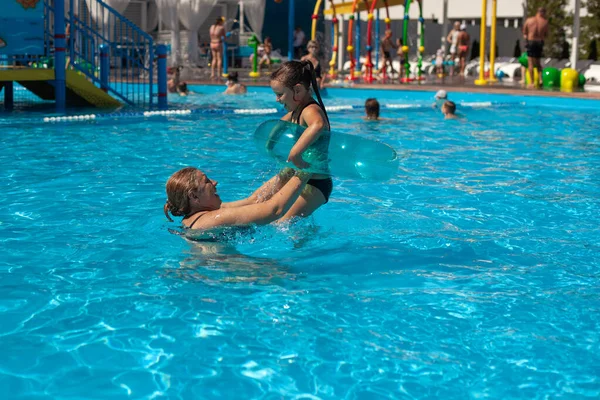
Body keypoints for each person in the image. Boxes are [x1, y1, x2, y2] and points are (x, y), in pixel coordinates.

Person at [269, 60, 332, 219]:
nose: (277, 99)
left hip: (316, 183)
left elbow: (318, 125)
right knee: (258, 201)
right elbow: (281, 124)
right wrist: (270, 144)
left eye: (280, 94)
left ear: (297, 90)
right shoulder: (297, 110)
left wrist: (295, 153)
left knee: (281, 221)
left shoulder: (310, 110)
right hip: (299, 172)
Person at [164, 167, 310, 231]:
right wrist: (307, 170)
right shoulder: (213, 219)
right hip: (225, 275)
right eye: (207, 181)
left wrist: (289, 170)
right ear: (194, 196)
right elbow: (274, 209)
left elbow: (253, 200)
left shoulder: (198, 217)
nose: (215, 182)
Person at [523, 7, 548, 88]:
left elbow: (524, 32)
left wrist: (527, 38)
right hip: (539, 42)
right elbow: (546, 34)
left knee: (530, 63)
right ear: (543, 13)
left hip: (531, 41)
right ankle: (540, 80)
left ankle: (532, 82)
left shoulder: (529, 20)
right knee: (538, 63)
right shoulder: (545, 22)